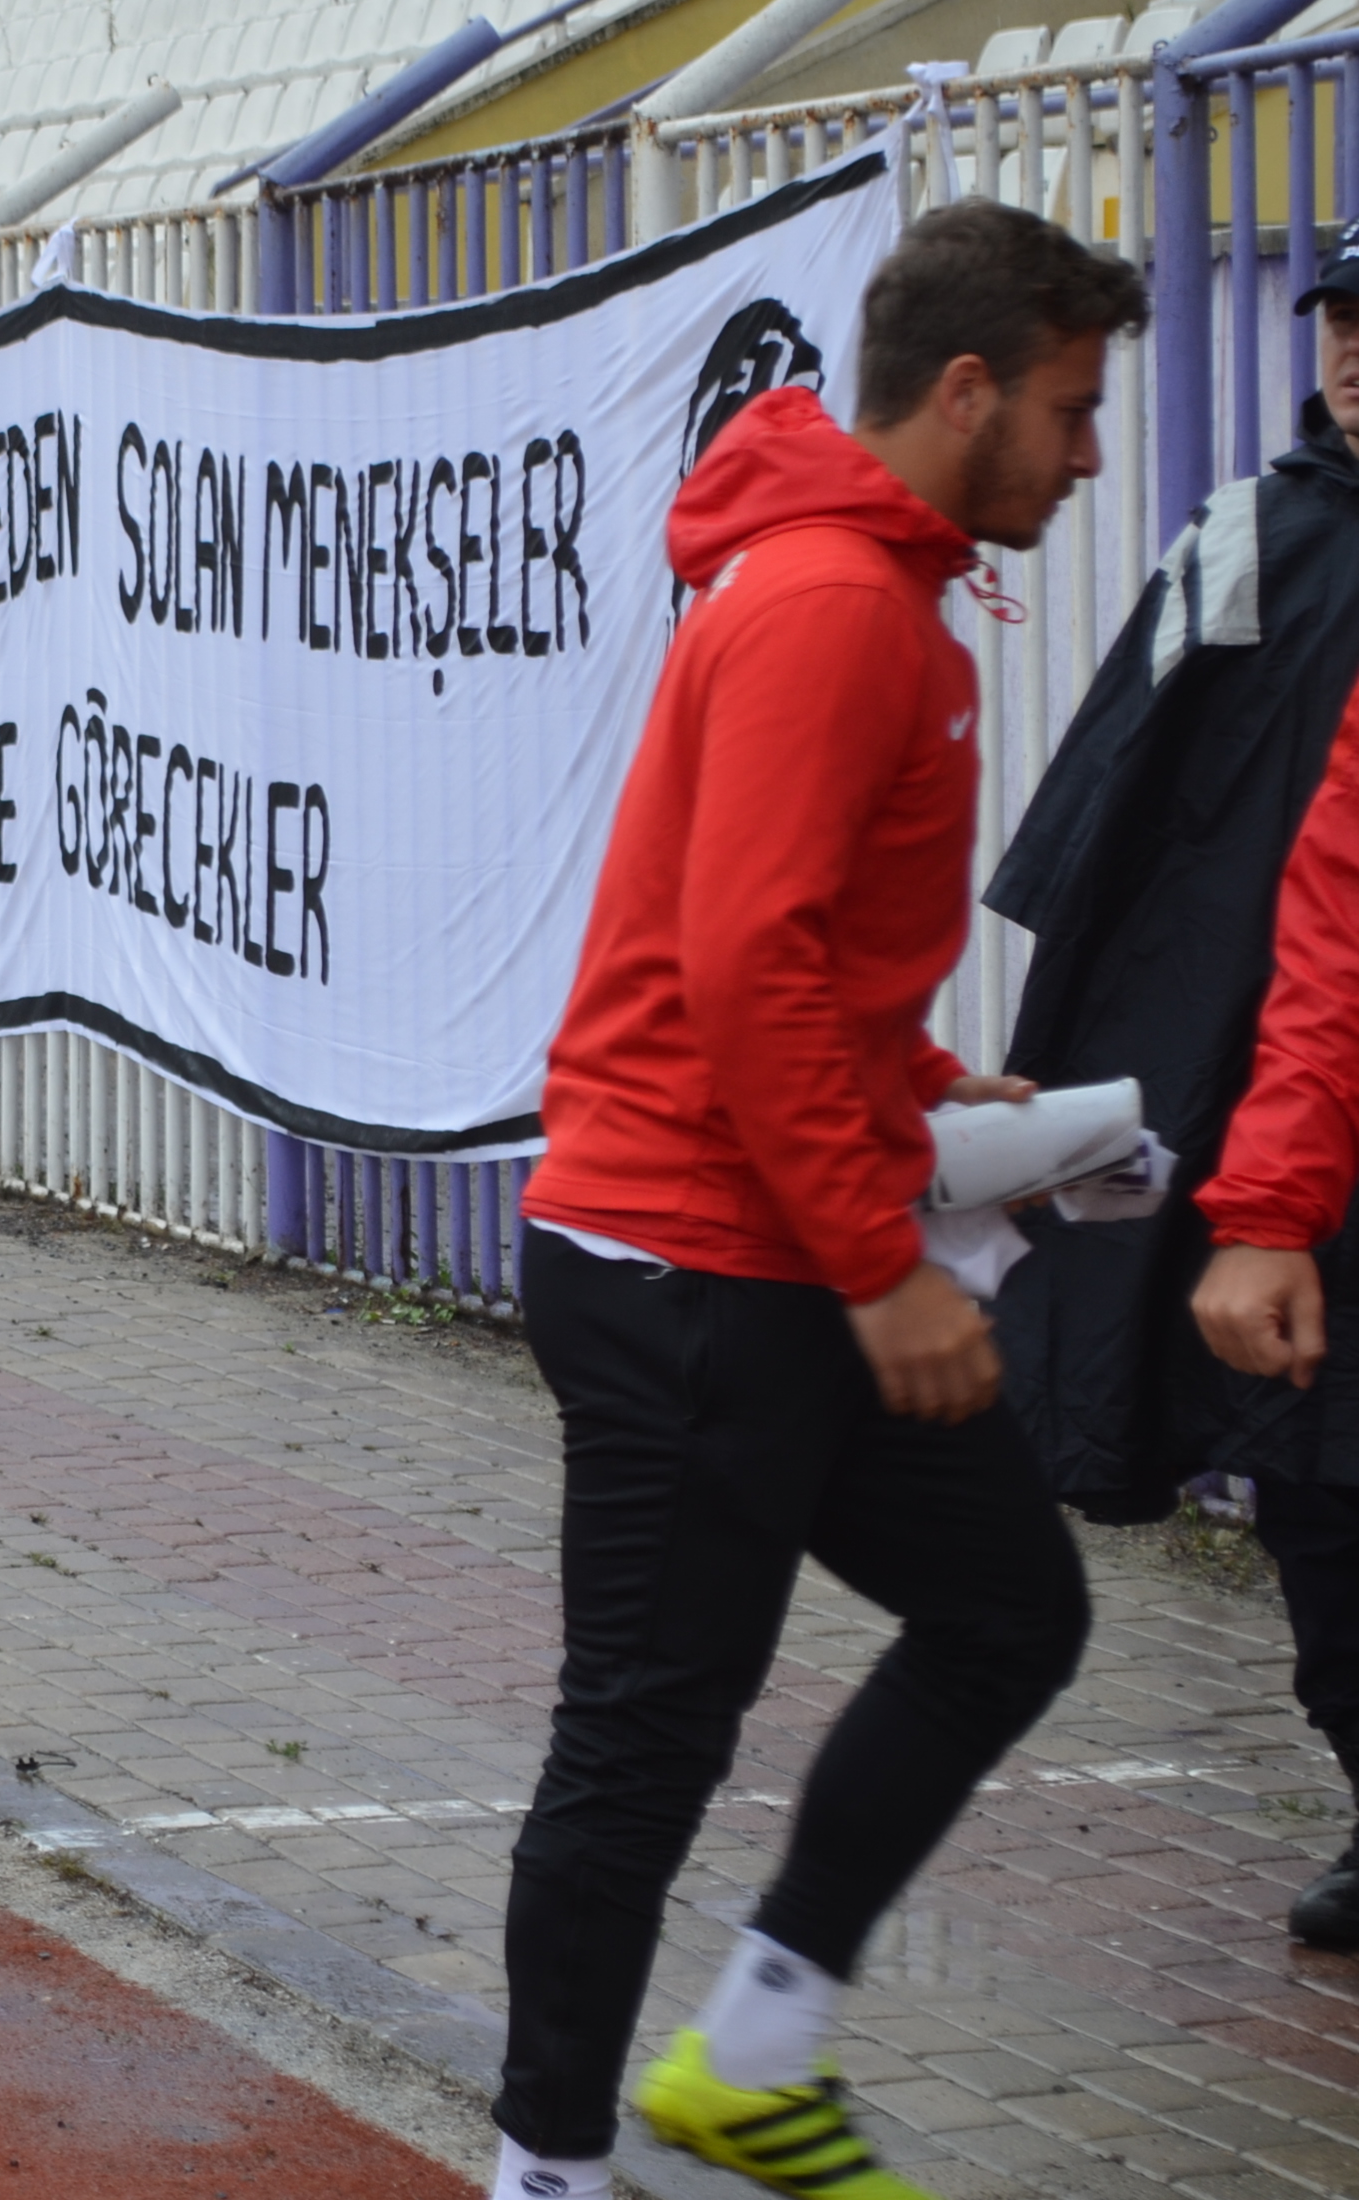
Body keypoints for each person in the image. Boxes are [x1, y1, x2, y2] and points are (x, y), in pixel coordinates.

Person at [490, 199, 1146, 2200]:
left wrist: (936, 1088)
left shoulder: (869, 590)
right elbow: (737, 960)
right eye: (1067, 409)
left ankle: (753, 2055)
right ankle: (545, 2173)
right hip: (699, 1263)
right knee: (647, 1737)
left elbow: (798, 956)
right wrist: (887, 1269)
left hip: (772, 1245)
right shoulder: (834, 608)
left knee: (1008, 1607)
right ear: (966, 393)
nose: (1088, 453)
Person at [990, 227, 1359, 1954]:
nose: (1355, 352)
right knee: (1311, 1472)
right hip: (1273, 1077)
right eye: (1343, 321)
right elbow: (1114, 815)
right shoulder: (1247, 539)